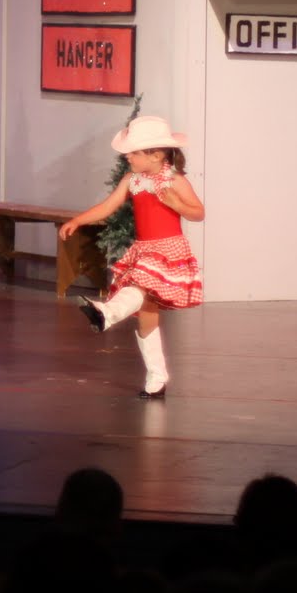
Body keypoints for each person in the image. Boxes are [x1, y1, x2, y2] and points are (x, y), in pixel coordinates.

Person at [59, 115, 204, 397]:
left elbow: (198, 213)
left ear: (156, 155)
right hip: (144, 248)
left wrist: (176, 203)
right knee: (146, 314)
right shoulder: (132, 180)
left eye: (134, 153)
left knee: (138, 285)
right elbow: (107, 206)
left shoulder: (174, 181)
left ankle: (108, 312)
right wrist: (78, 220)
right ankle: (157, 378)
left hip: (168, 249)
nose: (128, 157)